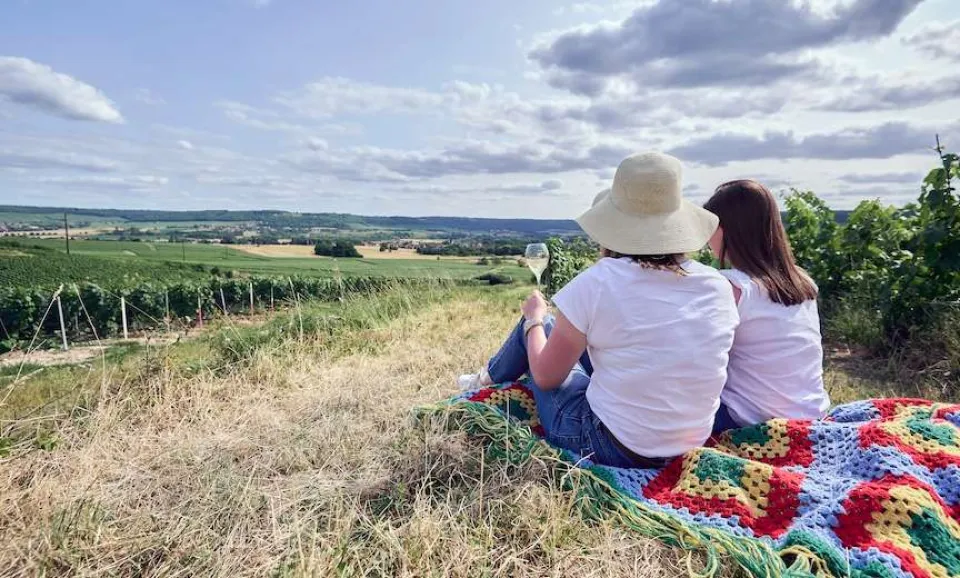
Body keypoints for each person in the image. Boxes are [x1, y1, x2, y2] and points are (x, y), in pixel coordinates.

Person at [460, 152, 738, 468]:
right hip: (688, 444)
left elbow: (546, 377)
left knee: (540, 326)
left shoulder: (599, 282)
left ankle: (483, 381)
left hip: (612, 445)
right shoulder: (717, 285)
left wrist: (532, 321)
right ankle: (485, 376)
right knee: (558, 330)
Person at [703, 180, 830, 434]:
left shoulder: (732, 288)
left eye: (711, 225)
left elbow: (697, 359)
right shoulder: (802, 281)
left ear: (730, 230)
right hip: (811, 414)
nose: (706, 235)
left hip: (750, 420)